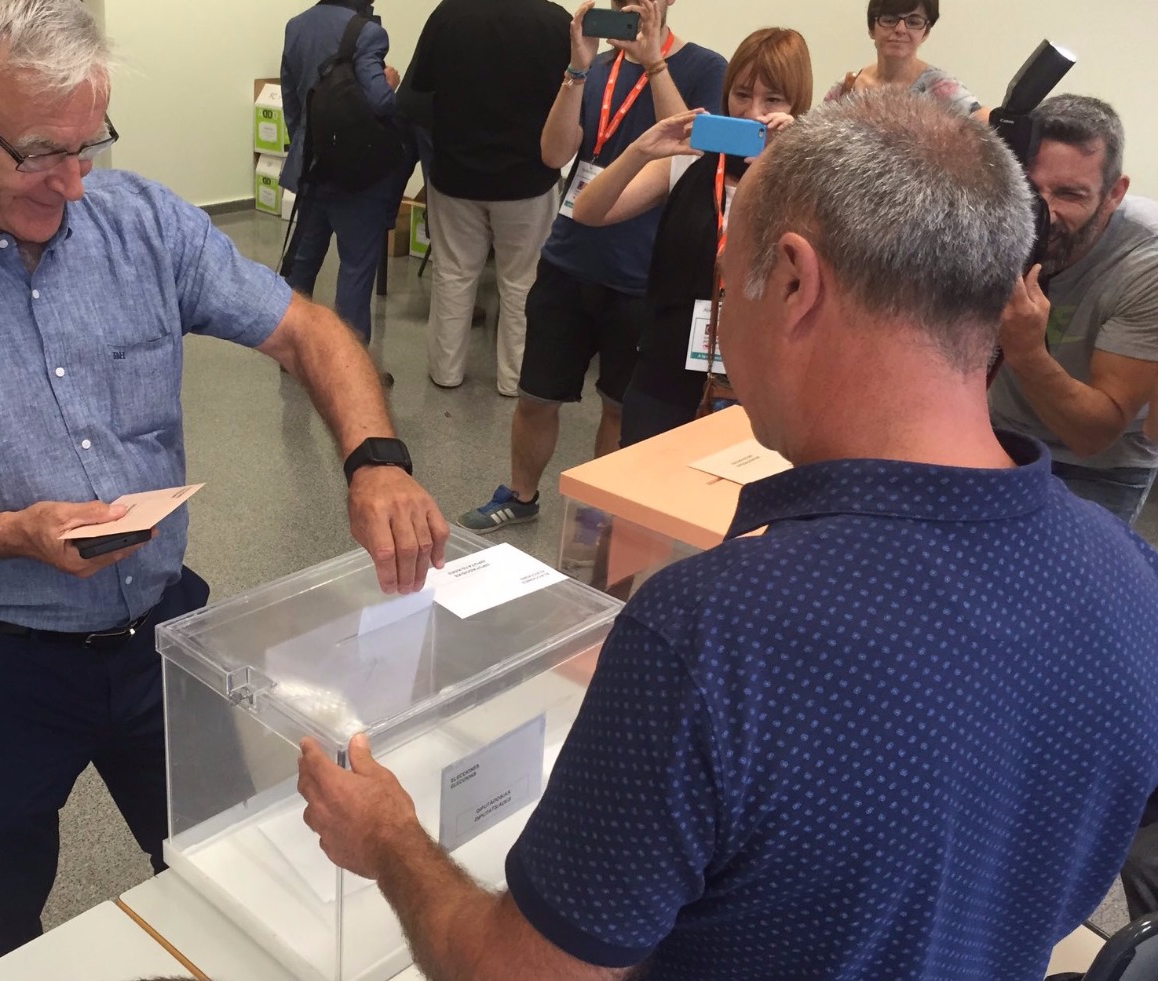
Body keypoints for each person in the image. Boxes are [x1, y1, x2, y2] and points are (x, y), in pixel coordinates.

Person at [299, 90, 1158, 981]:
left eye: (725, 270)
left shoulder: (711, 632)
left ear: (793, 280)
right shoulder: (1132, 574)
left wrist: (392, 841)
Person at [0, 0, 448, 969]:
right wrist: (9, 533)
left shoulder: (140, 223)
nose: (74, 183)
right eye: (39, 152)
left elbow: (305, 329)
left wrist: (375, 459)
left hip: (164, 635)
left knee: (235, 863)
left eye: (90, 143)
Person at [458, 0, 725, 531]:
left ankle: (599, 514)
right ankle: (521, 493)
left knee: (618, 406)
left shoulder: (704, 66)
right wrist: (576, 69)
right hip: (570, 256)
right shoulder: (595, 69)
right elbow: (554, 155)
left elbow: (694, 150)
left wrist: (654, 64)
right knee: (536, 394)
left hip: (642, 272)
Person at [572, 27, 810, 444]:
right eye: (741, 94)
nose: (751, 112)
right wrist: (641, 150)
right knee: (643, 493)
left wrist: (785, 163)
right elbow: (589, 211)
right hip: (665, 370)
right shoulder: (693, 161)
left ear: (796, 104)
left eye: (772, 99)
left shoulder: (808, 183)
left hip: (755, 383)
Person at [989, 95, 1158, 526]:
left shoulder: (1146, 259)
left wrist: (1027, 353)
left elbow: (1094, 434)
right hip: (998, 433)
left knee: (1077, 585)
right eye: (1030, 189)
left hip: (1100, 466)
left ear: (1114, 194)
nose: (1042, 214)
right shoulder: (993, 217)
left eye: (1070, 194)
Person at [402, 0, 570, 396]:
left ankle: (446, 371)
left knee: (454, 275)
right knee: (522, 282)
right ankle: (514, 380)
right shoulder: (556, 22)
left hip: (455, 174)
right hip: (529, 178)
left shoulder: (448, 15)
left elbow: (417, 91)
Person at [279, 0, 404, 346]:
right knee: (355, 269)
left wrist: (307, 144)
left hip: (312, 167)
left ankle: (291, 349)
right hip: (357, 176)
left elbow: (291, 99)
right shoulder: (368, 32)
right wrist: (390, 81)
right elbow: (380, 101)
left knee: (303, 262)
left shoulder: (297, 25)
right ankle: (348, 365)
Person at [824, 0, 979, 116]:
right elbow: (812, 138)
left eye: (913, 22)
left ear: (925, 32)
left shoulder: (941, 88)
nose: (900, 29)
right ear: (871, 29)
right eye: (889, 20)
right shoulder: (848, 87)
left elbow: (991, 133)